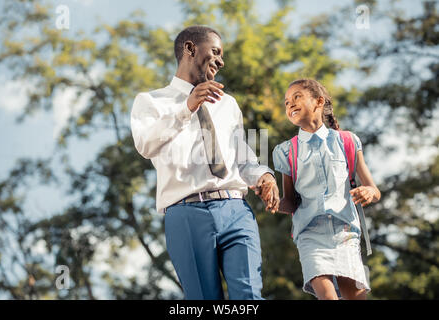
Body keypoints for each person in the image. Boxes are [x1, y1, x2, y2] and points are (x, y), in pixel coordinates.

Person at [130, 25, 279, 300]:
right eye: (215, 52)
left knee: (249, 296)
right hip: (186, 213)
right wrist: (186, 107)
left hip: (236, 209)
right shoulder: (151, 101)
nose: (221, 61)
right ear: (189, 48)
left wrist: (263, 176)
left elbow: (242, 159)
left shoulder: (227, 104)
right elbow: (145, 144)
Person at [272, 79, 381, 300]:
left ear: (319, 102)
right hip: (310, 235)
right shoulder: (286, 151)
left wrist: (369, 192)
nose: (290, 104)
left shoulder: (347, 141)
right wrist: (274, 201)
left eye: (297, 97)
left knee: (355, 298)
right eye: (286, 102)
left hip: (345, 233)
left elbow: (374, 189)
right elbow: (291, 201)